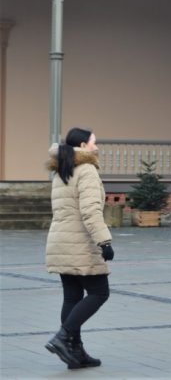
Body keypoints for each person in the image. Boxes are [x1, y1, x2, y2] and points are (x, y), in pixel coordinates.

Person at [44, 127, 114, 370]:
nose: (97, 146)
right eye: (94, 142)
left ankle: (75, 353)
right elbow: (90, 211)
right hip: (80, 242)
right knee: (99, 293)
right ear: (83, 146)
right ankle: (63, 338)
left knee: (72, 297)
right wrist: (104, 241)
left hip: (61, 240)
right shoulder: (86, 170)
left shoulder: (62, 169)